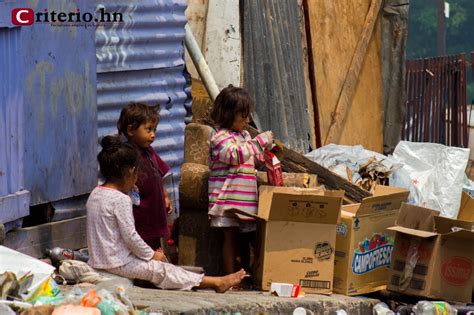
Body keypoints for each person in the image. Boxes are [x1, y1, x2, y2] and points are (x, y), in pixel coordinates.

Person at [86, 135, 245, 292]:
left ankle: (207, 281)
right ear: (130, 172)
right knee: (162, 269)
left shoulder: (95, 194)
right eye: (136, 174)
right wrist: (152, 255)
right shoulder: (120, 199)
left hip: (98, 261)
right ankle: (215, 282)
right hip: (117, 264)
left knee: (157, 268)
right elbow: (130, 236)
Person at [208, 85, 273, 274]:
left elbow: (250, 158)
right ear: (228, 113)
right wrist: (259, 142)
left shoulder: (244, 135)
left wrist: (265, 154)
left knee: (247, 238)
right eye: (242, 115)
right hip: (227, 200)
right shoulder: (218, 137)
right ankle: (230, 276)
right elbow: (235, 155)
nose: (247, 120)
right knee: (230, 237)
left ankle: (246, 273)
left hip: (245, 201)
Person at [116, 103, 170, 250]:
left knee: (155, 246)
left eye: (154, 130)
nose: (153, 134)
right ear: (131, 130)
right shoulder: (127, 154)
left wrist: (165, 195)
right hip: (140, 214)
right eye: (148, 130)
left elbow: (159, 175)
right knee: (141, 247)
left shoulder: (150, 151)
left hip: (155, 210)